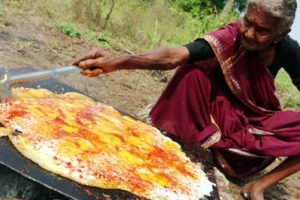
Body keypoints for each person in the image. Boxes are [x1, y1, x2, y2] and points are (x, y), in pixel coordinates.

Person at [73, 0, 300, 199]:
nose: (249, 33)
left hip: (252, 123)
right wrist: (117, 62)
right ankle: (171, 143)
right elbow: (174, 56)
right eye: (248, 22)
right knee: (191, 73)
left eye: (262, 30)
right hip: (215, 112)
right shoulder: (230, 38)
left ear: (281, 34)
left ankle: (257, 187)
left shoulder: (289, 51)